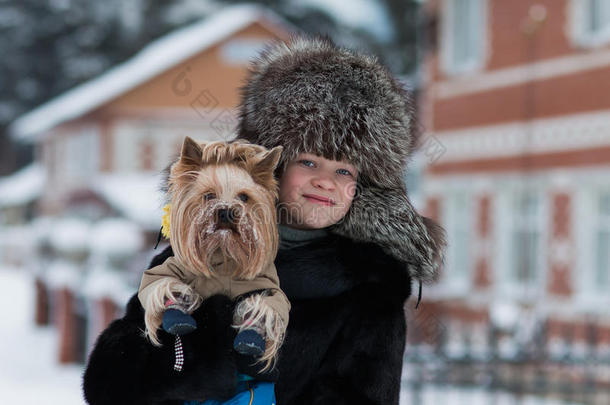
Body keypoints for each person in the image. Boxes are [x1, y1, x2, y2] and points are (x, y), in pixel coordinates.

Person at [83, 36, 445, 405]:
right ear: (272, 168)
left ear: (360, 188)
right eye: (309, 162)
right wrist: (201, 364)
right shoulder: (196, 254)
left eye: (344, 171)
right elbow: (109, 384)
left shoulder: (368, 288)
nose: (326, 181)